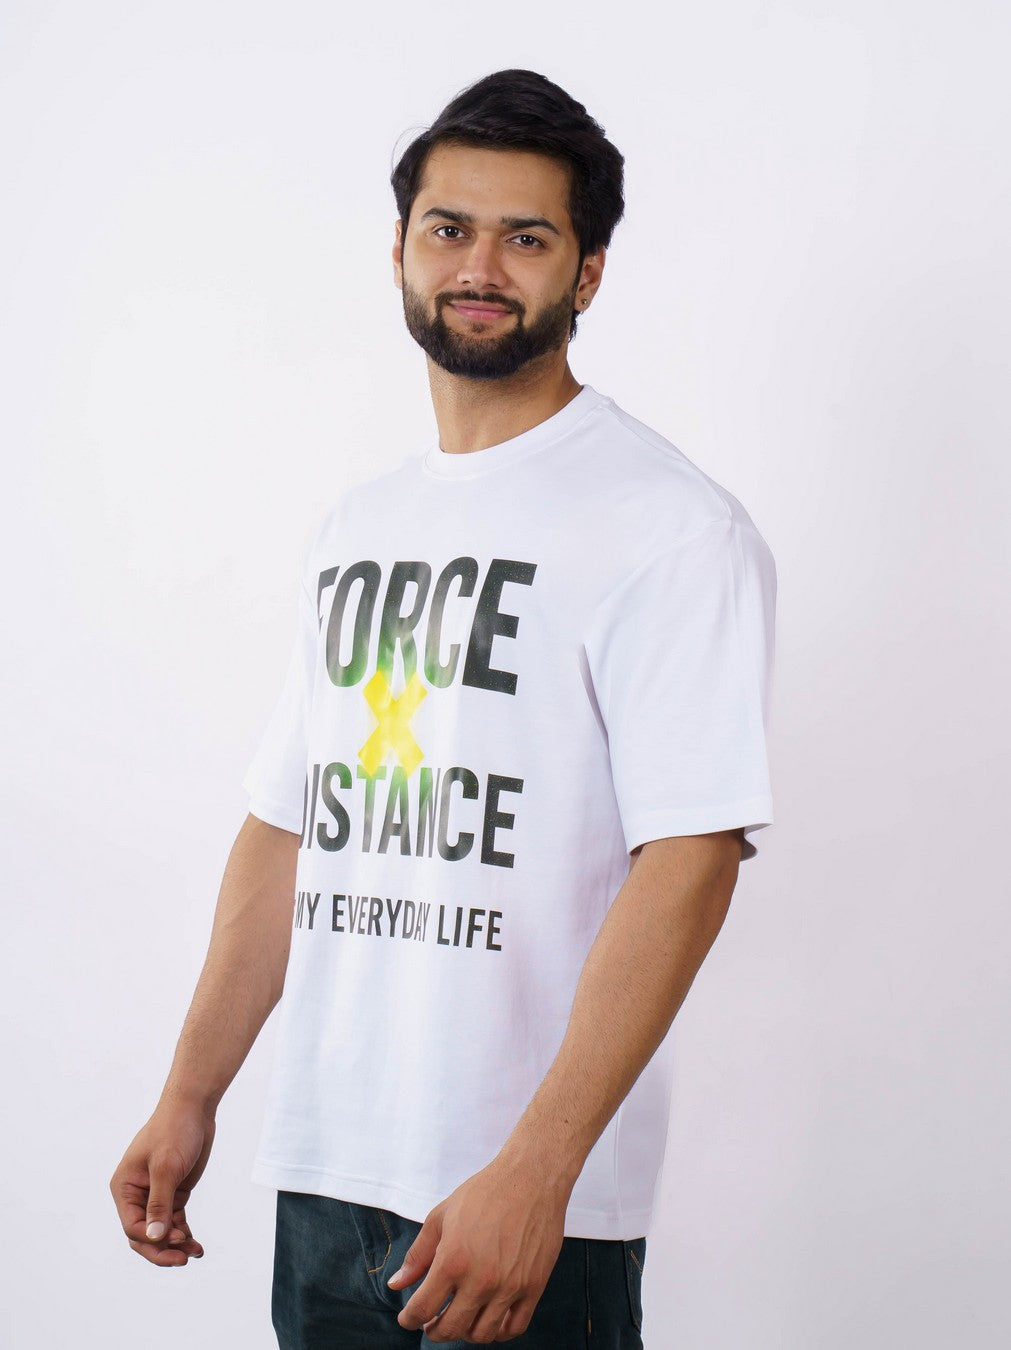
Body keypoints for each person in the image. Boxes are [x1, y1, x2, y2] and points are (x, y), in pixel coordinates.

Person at [110, 68, 777, 1348]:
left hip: (521, 1200)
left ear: (587, 273)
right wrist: (191, 1092)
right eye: (449, 229)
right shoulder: (358, 526)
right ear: (401, 251)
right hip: (327, 1179)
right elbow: (289, 826)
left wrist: (539, 1171)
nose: (480, 266)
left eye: (527, 238)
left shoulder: (670, 528)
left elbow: (690, 860)